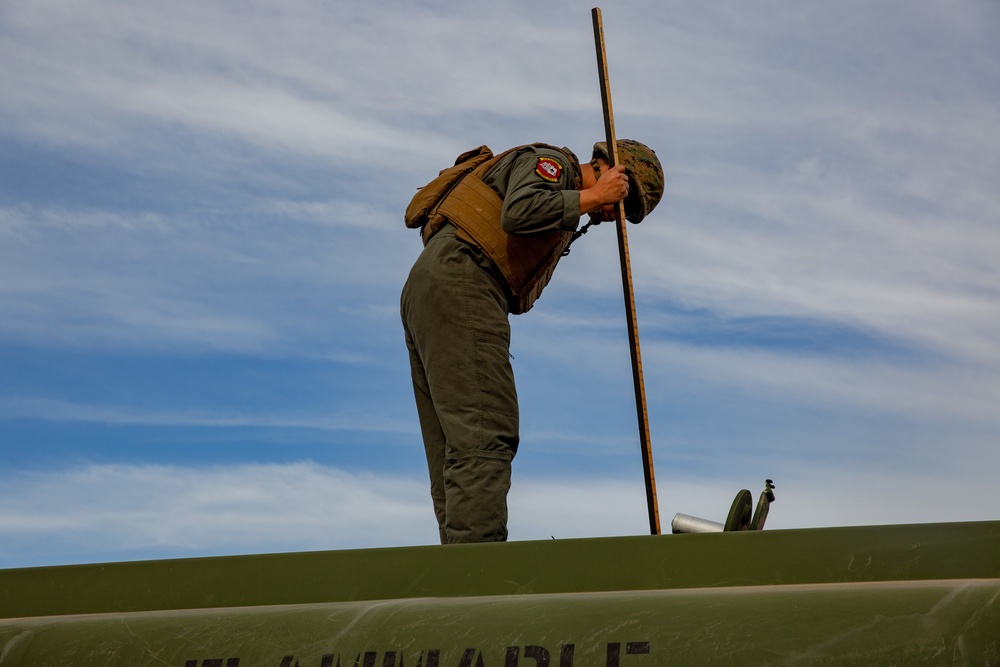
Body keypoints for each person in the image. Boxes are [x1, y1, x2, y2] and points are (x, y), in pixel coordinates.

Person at [401, 140, 664, 544]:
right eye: (626, 198)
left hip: (438, 285)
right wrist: (595, 195)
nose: (619, 213)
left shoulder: (568, 197)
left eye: (628, 211)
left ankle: (458, 563)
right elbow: (518, 212)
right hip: (464, 279)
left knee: (455, 446)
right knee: (486, 430)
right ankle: (477, 571)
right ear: (611, 169)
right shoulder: (554, 166)